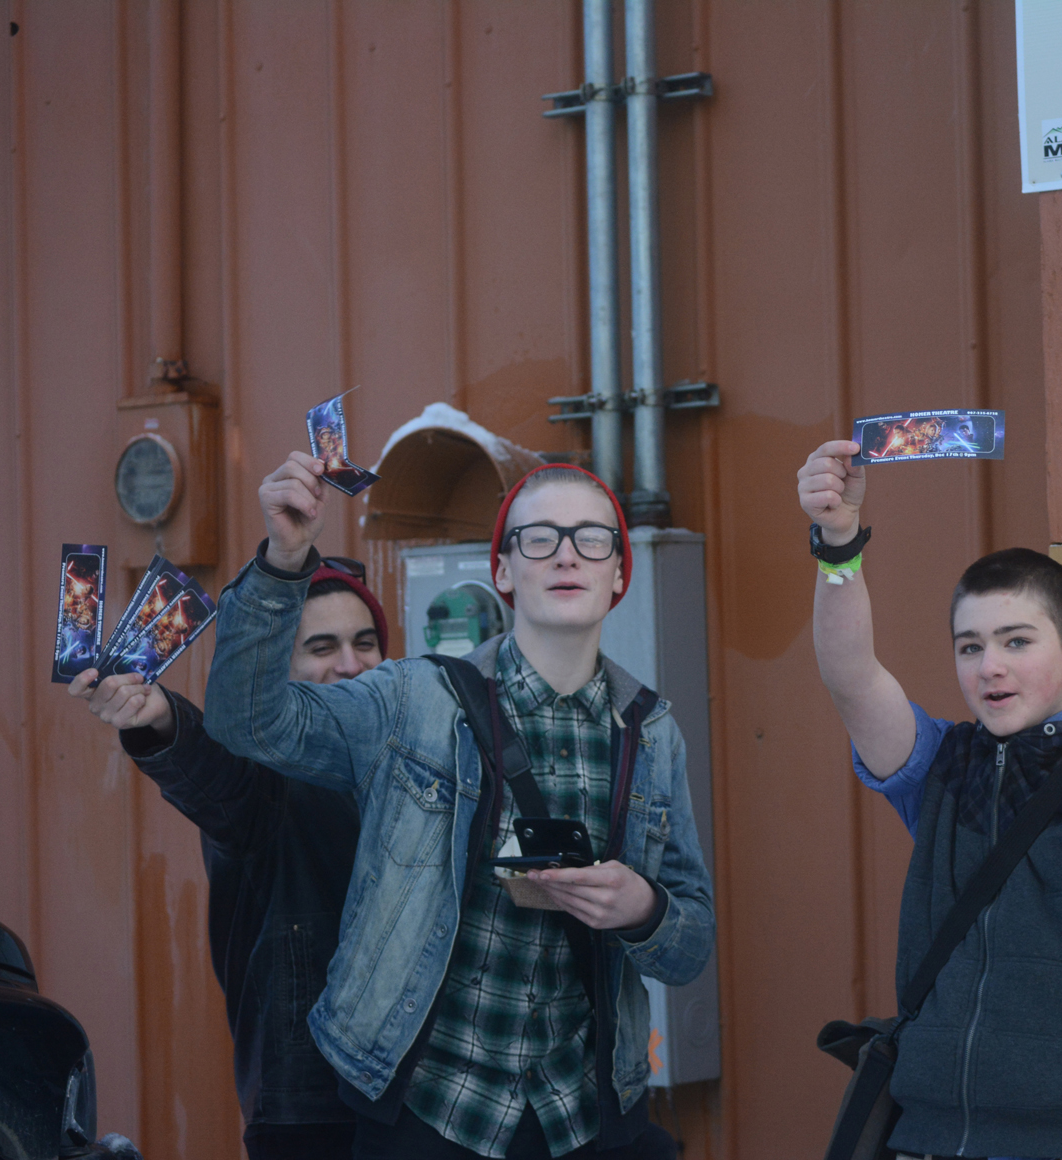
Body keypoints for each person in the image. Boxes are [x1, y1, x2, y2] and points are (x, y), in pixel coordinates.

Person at [203, 450, 713, 1160]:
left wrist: (642, 908)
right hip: (430, 1111)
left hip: (583, 1113)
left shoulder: (652, 734)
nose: (567, 554)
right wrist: (284, 560)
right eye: (540, 538)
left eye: (592, 538)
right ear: (503, 572)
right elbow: (246, 723)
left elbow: (692, 946)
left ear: (619, 574)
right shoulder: (412, 699)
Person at [797, 440, 1062, 1160]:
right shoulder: (940, 771)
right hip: (923, 1138)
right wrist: (837, 545)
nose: (990, 666)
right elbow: (851, 677)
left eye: (1017, 641)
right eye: (969, 646)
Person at [68, 560, 390, 1160]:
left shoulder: (411, 764)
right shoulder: (265, 776)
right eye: (322, 647)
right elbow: (212, 770)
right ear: (278, 670)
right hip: (309, 1109)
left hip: (418, 1104)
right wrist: (159, 718)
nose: (350, 664)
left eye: (364, 642)